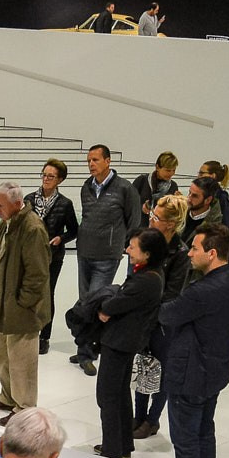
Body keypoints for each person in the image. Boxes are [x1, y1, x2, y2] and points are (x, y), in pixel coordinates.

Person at [158, 225, 229, 458]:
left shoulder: (203, 290)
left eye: (195, 248)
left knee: (185, 440)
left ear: (213, 253)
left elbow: (168, 315)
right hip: (215, 369)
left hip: (190, 374)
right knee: (205, 432)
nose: (190, 253)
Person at [94, 229, 171, 458]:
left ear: (147, 254)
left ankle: (112, 451)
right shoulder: (151, 274)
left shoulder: (146, 281)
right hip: (126, 342)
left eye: (133, 247)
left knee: (107, 396)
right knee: (119, 395)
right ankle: (123, 445)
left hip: (119, 343)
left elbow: (112, 305)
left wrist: (105, 308)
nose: (127, 250)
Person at [0, 182, 50, 420]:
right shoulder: (3, 227)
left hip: (22, 311)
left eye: (1, 205)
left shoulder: (32, 229)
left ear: (17, 204)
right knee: (3, 356)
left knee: (22, 363)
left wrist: (23, 303)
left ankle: (24, 408)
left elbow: (38, 274)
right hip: (2, 306)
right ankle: (8, 397)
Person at [72, 144, 141, 375]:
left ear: (108, 161)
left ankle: (87, 353)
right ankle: (86, 344)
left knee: (94, 301)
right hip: (85, 253)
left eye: (95, 160)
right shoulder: (86, 187)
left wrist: (124, 245)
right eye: (89, 160)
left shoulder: (125, 188)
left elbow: (134, 220)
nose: (91, 164)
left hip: (107, 256)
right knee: (85, 302)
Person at [131, 193, 192, 439]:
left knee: (160, 370)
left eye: (156, 217)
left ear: (170, 224)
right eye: (151, 214)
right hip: (144, 317)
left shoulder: (180, 253)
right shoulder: (149, 244)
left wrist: (149, 309)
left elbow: (172, 293)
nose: (151, 219)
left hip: (165, 322)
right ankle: (138, 415)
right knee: (142, 364)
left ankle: (153, 419)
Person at [27, 159, 78, 356]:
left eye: (51, 176)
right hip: (30, 255)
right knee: (29, 292)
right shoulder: (29, 200)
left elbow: (74, 230)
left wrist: (61, 238)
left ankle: (44, 336)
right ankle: (29, 330)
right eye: (44, 175)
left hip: (52, 256)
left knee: (47, 294)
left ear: (60, 180)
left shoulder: (65, 204)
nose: (46, 179)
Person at [133, 152, 179, 216]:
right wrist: (141, 208)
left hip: (160, 225)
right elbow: (129, 204)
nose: (171, 173)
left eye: (174, 170)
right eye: (168, 170)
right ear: (157, 167)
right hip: (140, 224)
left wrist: (178, 204)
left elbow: (172, 214)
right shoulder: (142, 181)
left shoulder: (173, 186)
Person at [195, 161, 229, 227]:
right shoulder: (199, 193)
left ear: (212, 176)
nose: (198, 177)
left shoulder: (221, 197)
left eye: (201, 173)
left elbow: (225, 224)